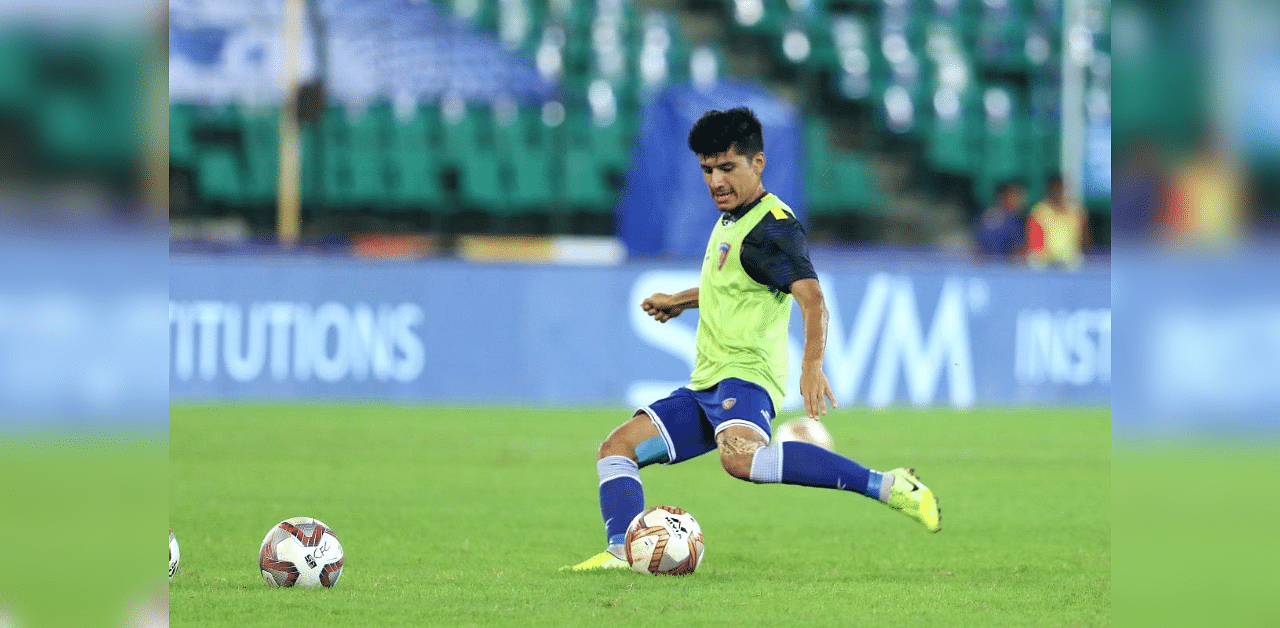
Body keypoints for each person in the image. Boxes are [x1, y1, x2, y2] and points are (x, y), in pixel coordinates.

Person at [563, 108, 941, 572]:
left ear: (757, 163)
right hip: (707, 384)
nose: (716, 181)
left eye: (727, 168)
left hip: (745, 378)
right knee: (616, 449)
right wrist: (681, 301)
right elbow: (731, 285)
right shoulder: (730, 221)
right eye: (706, 169)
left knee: (741, 461)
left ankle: (887, 484)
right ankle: (622, 554)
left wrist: (811, 367)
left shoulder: (773, 228)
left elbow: (813, 299)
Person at [1026, 173, 1088, 269]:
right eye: (1055, 188)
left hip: (1070, 261)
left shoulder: (1076, 212)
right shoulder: (1039, 212)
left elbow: (1083, 241)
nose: (1059, 192)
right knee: (1036, 263)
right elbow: (1035, 244)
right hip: (1044, 260)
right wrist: (1051, 258)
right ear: (1049, 190)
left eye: (1061, 188)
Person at [974, 180, 1027, 260]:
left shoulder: (985, 216)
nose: (1021, 200)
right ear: (1003, 197)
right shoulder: (1011, 223)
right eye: (1016, 196)